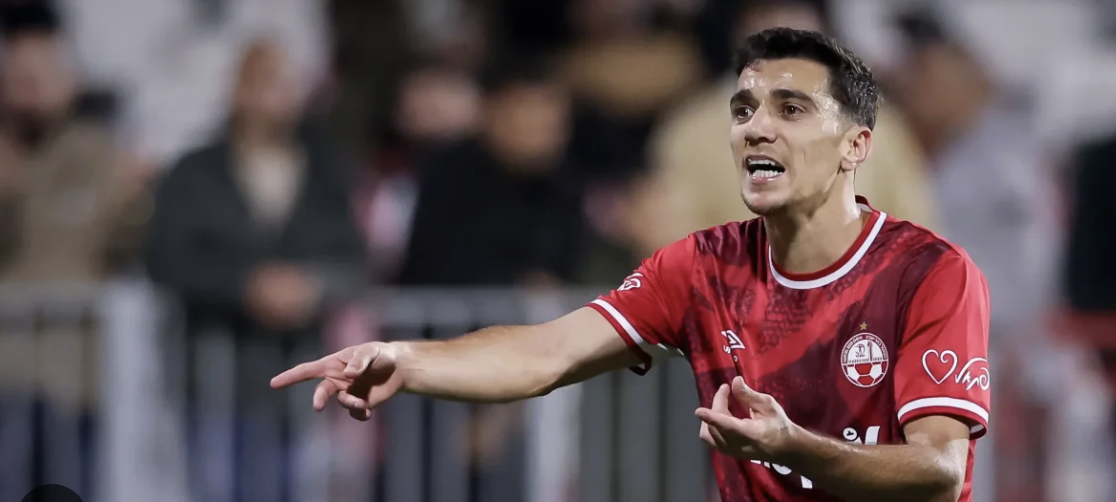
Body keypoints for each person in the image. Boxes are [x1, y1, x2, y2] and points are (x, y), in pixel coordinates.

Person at [272, 28, 991, 502]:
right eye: (743, 110)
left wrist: (793, 447)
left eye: (791, 110)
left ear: (856, 145)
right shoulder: (702, 265)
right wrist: (408, 358)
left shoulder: (930, 274)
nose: (757, 128)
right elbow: (547, 352)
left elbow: (939, 469)